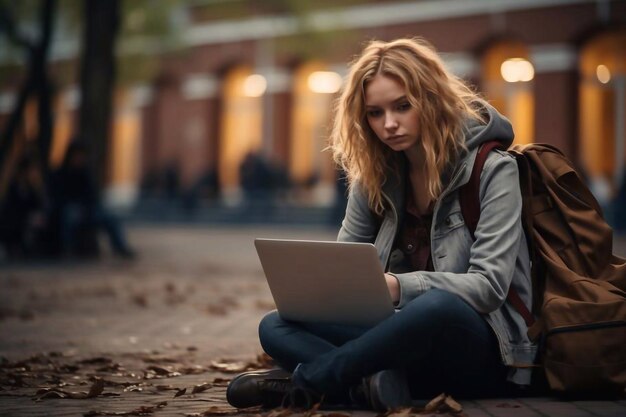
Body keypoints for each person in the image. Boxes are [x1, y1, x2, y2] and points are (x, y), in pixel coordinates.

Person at [226, 38, 536, 410]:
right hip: (397, 342)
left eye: (402, 106)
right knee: (276, 324)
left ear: (432, 99)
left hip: (481, 350)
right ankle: (369, 384)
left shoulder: (493, 169)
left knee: (437, 307)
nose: (389, 124)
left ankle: (311, 381)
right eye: (375, 113)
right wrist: (321, 292)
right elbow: (342, 271)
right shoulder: (373, 175)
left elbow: (488, 287)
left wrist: (394, 286)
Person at [51, 141, 136, 259]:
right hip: (68, 209)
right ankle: (67, 249)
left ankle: (120, 247)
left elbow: (93, 196)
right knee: (70, 215)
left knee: (111, 218)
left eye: (82, 156)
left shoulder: (86, 173)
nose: (79, 159)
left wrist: (88, 207)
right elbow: (58, 197)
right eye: (77, 155)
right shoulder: (60, 174)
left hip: (87, 210)